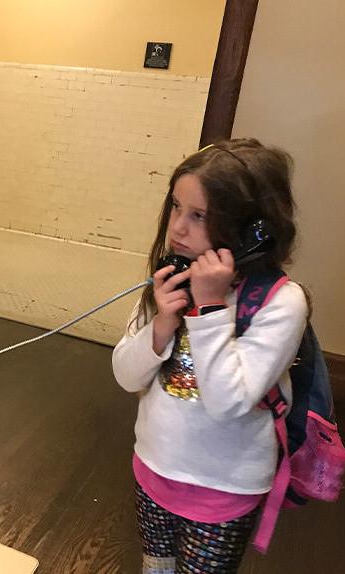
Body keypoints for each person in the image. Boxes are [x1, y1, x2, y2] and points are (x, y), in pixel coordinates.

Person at [112, 138, 309, 574]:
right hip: (153, 466)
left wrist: (210, 309)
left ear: (252, 229)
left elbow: (228, 402)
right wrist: (161, 324)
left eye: (199, 216)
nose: (178, 228)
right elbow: (127, 377)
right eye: (176, 207)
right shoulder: (170, 280)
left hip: (224, 487)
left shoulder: (280, 303)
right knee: (156, 564)